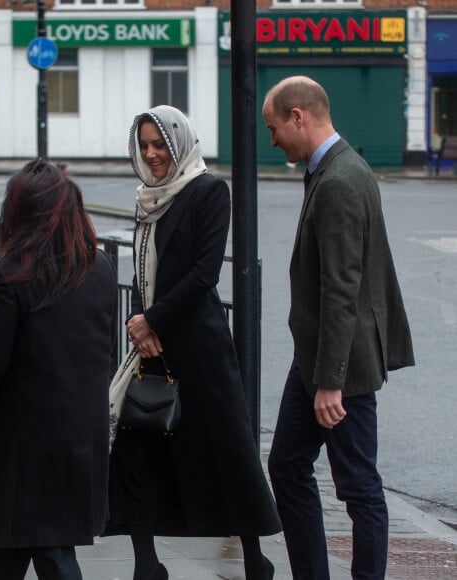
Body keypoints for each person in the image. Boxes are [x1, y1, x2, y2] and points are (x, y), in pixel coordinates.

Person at [104, 105, 282, 580]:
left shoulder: (208, 191)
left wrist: (151, 320)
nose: (152, 154)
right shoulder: (148, 198)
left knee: (227, 450)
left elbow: (205, 273)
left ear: (179, 143)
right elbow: (145, 275)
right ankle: (147, 563)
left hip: (198, 347)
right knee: (136, 448)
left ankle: (253, 558)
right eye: (144, 145)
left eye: (159, 144)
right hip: (153, 347)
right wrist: (144, 328)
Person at [262, 76, 415, 580]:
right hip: (318, 358)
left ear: (299, 117)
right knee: (286, 465)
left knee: (358, 487)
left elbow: (342, 288)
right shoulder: (336, 168)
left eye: (275, 127)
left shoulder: (340, 181)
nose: (273, 139)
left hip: (339, 366)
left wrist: (331, 381)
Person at [0, 159, 118, 580]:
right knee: (12, 545)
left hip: (28, 442)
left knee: (50, 549)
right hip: (80, 431)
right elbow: (105, 352)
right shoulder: (99, 268)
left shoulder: (8, 275)